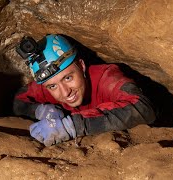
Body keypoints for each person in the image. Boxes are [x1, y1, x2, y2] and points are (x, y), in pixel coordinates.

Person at [13, 34, 156, 146]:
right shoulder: (49, 85)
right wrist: (41, 110)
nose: (65, 92)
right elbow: (19, 101)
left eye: (68, 78)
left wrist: (74, 125)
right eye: (52, 86)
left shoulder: (105, 77)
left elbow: (144, 108)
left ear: (81, 66)